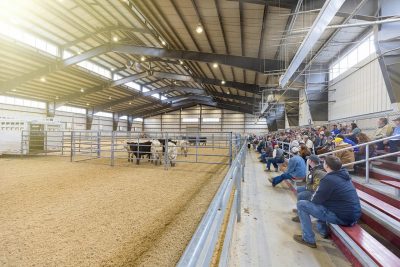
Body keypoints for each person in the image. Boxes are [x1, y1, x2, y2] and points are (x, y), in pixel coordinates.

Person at [293, 156, 361, 248]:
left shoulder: (328, 179)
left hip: (343, 217)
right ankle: (322, 231)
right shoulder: (345, 177)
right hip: (353, 216)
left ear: (327, 166)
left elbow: (315, 200)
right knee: (322, 201)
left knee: (302, 204)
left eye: (324, 162)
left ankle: (308, 239)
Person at [292, 155, 327, 222]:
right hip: (312, 187)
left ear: (310, 161)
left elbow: (315, 187)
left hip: (317, 191)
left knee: (301, 195)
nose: (307, 161)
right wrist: (307, 185)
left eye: (308, 160)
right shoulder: (314, 168)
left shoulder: (318, 171)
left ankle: (301, 214)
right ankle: (300, 208)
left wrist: (307, 186)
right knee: (299, 189)